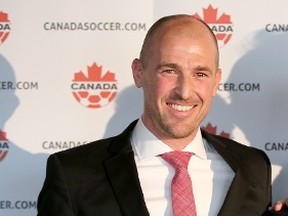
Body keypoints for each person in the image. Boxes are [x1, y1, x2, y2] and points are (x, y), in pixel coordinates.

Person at [37, 14, 288, 216]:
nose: (184, 92)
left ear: (215, 82)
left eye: (200, 74)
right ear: (138, 72)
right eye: (169, 70)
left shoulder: (253, 167)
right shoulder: (74, 174)